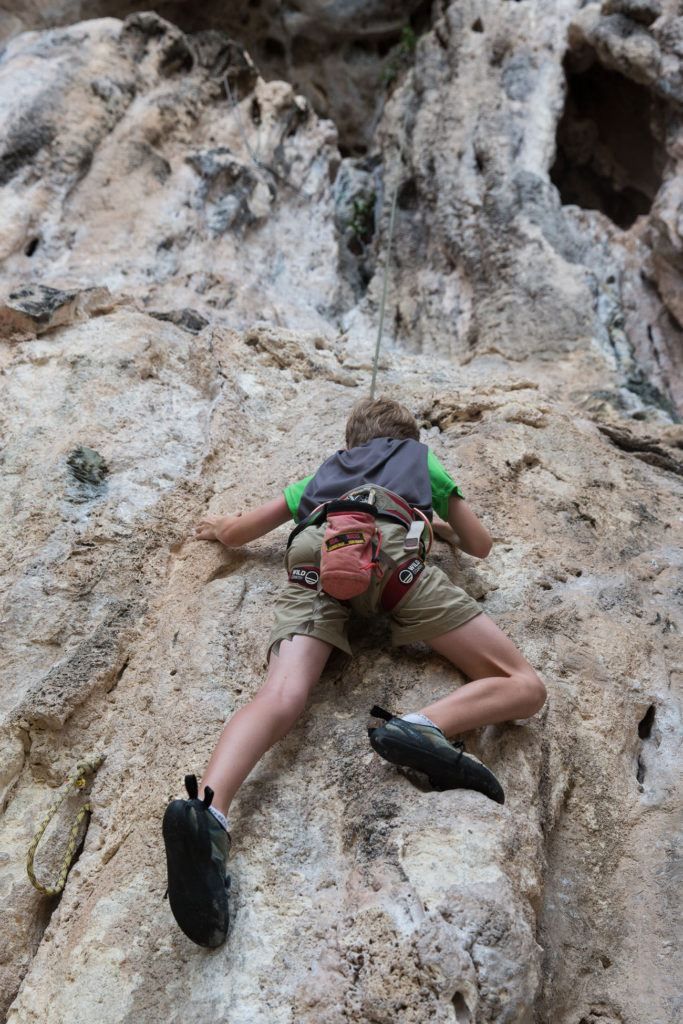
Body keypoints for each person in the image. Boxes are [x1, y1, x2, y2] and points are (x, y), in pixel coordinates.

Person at [162, 397, 546, 948]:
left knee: (281, 696)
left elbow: (243, 531)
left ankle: (210, 811)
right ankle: (424, 726)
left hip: (317, 556)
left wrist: (221, 526)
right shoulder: (422, 461)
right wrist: (436, 519)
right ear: (408, 440)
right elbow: (481, 544)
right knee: (524, 685)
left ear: (349, 446)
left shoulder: (323, 475)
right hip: (396, 563)